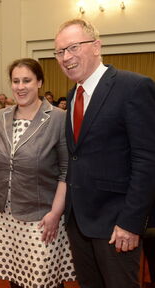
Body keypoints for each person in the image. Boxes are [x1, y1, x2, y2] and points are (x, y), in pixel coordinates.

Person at [54, 18, 155, 288]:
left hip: (116, 225)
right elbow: (77, 157)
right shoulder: (74, 94)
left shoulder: (133, 87)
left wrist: (131, 223)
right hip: (79, 223)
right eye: (60, 52)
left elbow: (147, 161)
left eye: (73, 47)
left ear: (96, 46)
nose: (66, 57)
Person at [0, 58, 75, 288]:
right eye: (15, 81)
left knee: (43, 279)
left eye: (27, 80)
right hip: (5, 214)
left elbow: (66, 170)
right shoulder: (1, 117)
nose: (20, 86)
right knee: (16, 277)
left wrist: (55, 213)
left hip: (42, 216)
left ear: (39, 82)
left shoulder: (57, 117)